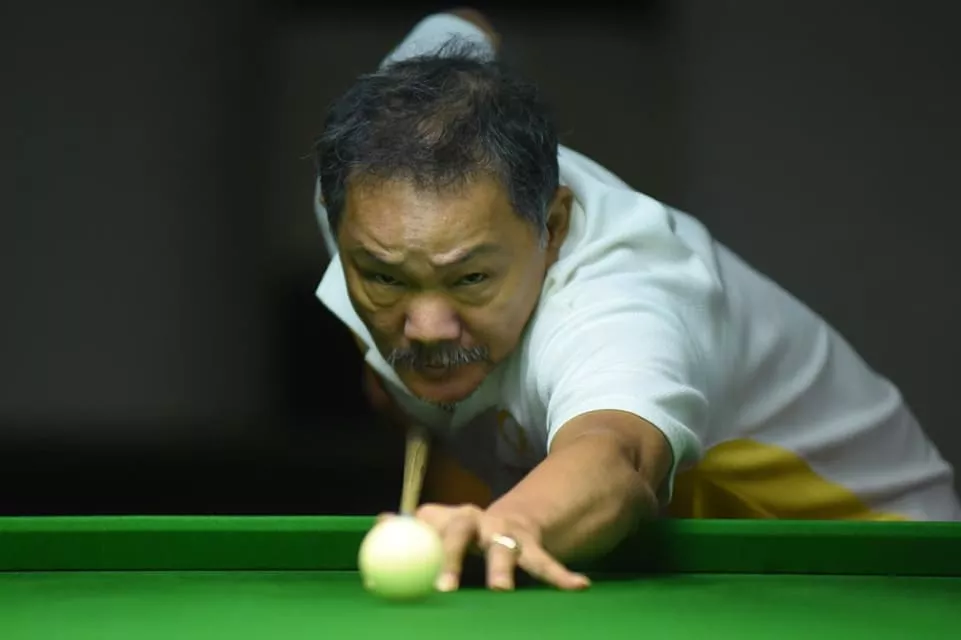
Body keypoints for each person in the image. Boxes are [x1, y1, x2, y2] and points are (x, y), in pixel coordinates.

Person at [310, 10, 961, 592]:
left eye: (470, 279)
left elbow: (615, 454)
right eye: (385, 279)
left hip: (881, 562)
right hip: (664, 567)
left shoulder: (622, 298)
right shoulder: (367, 186)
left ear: (553, 228)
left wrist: (513, 523)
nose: (426, 328)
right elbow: (459, 24)